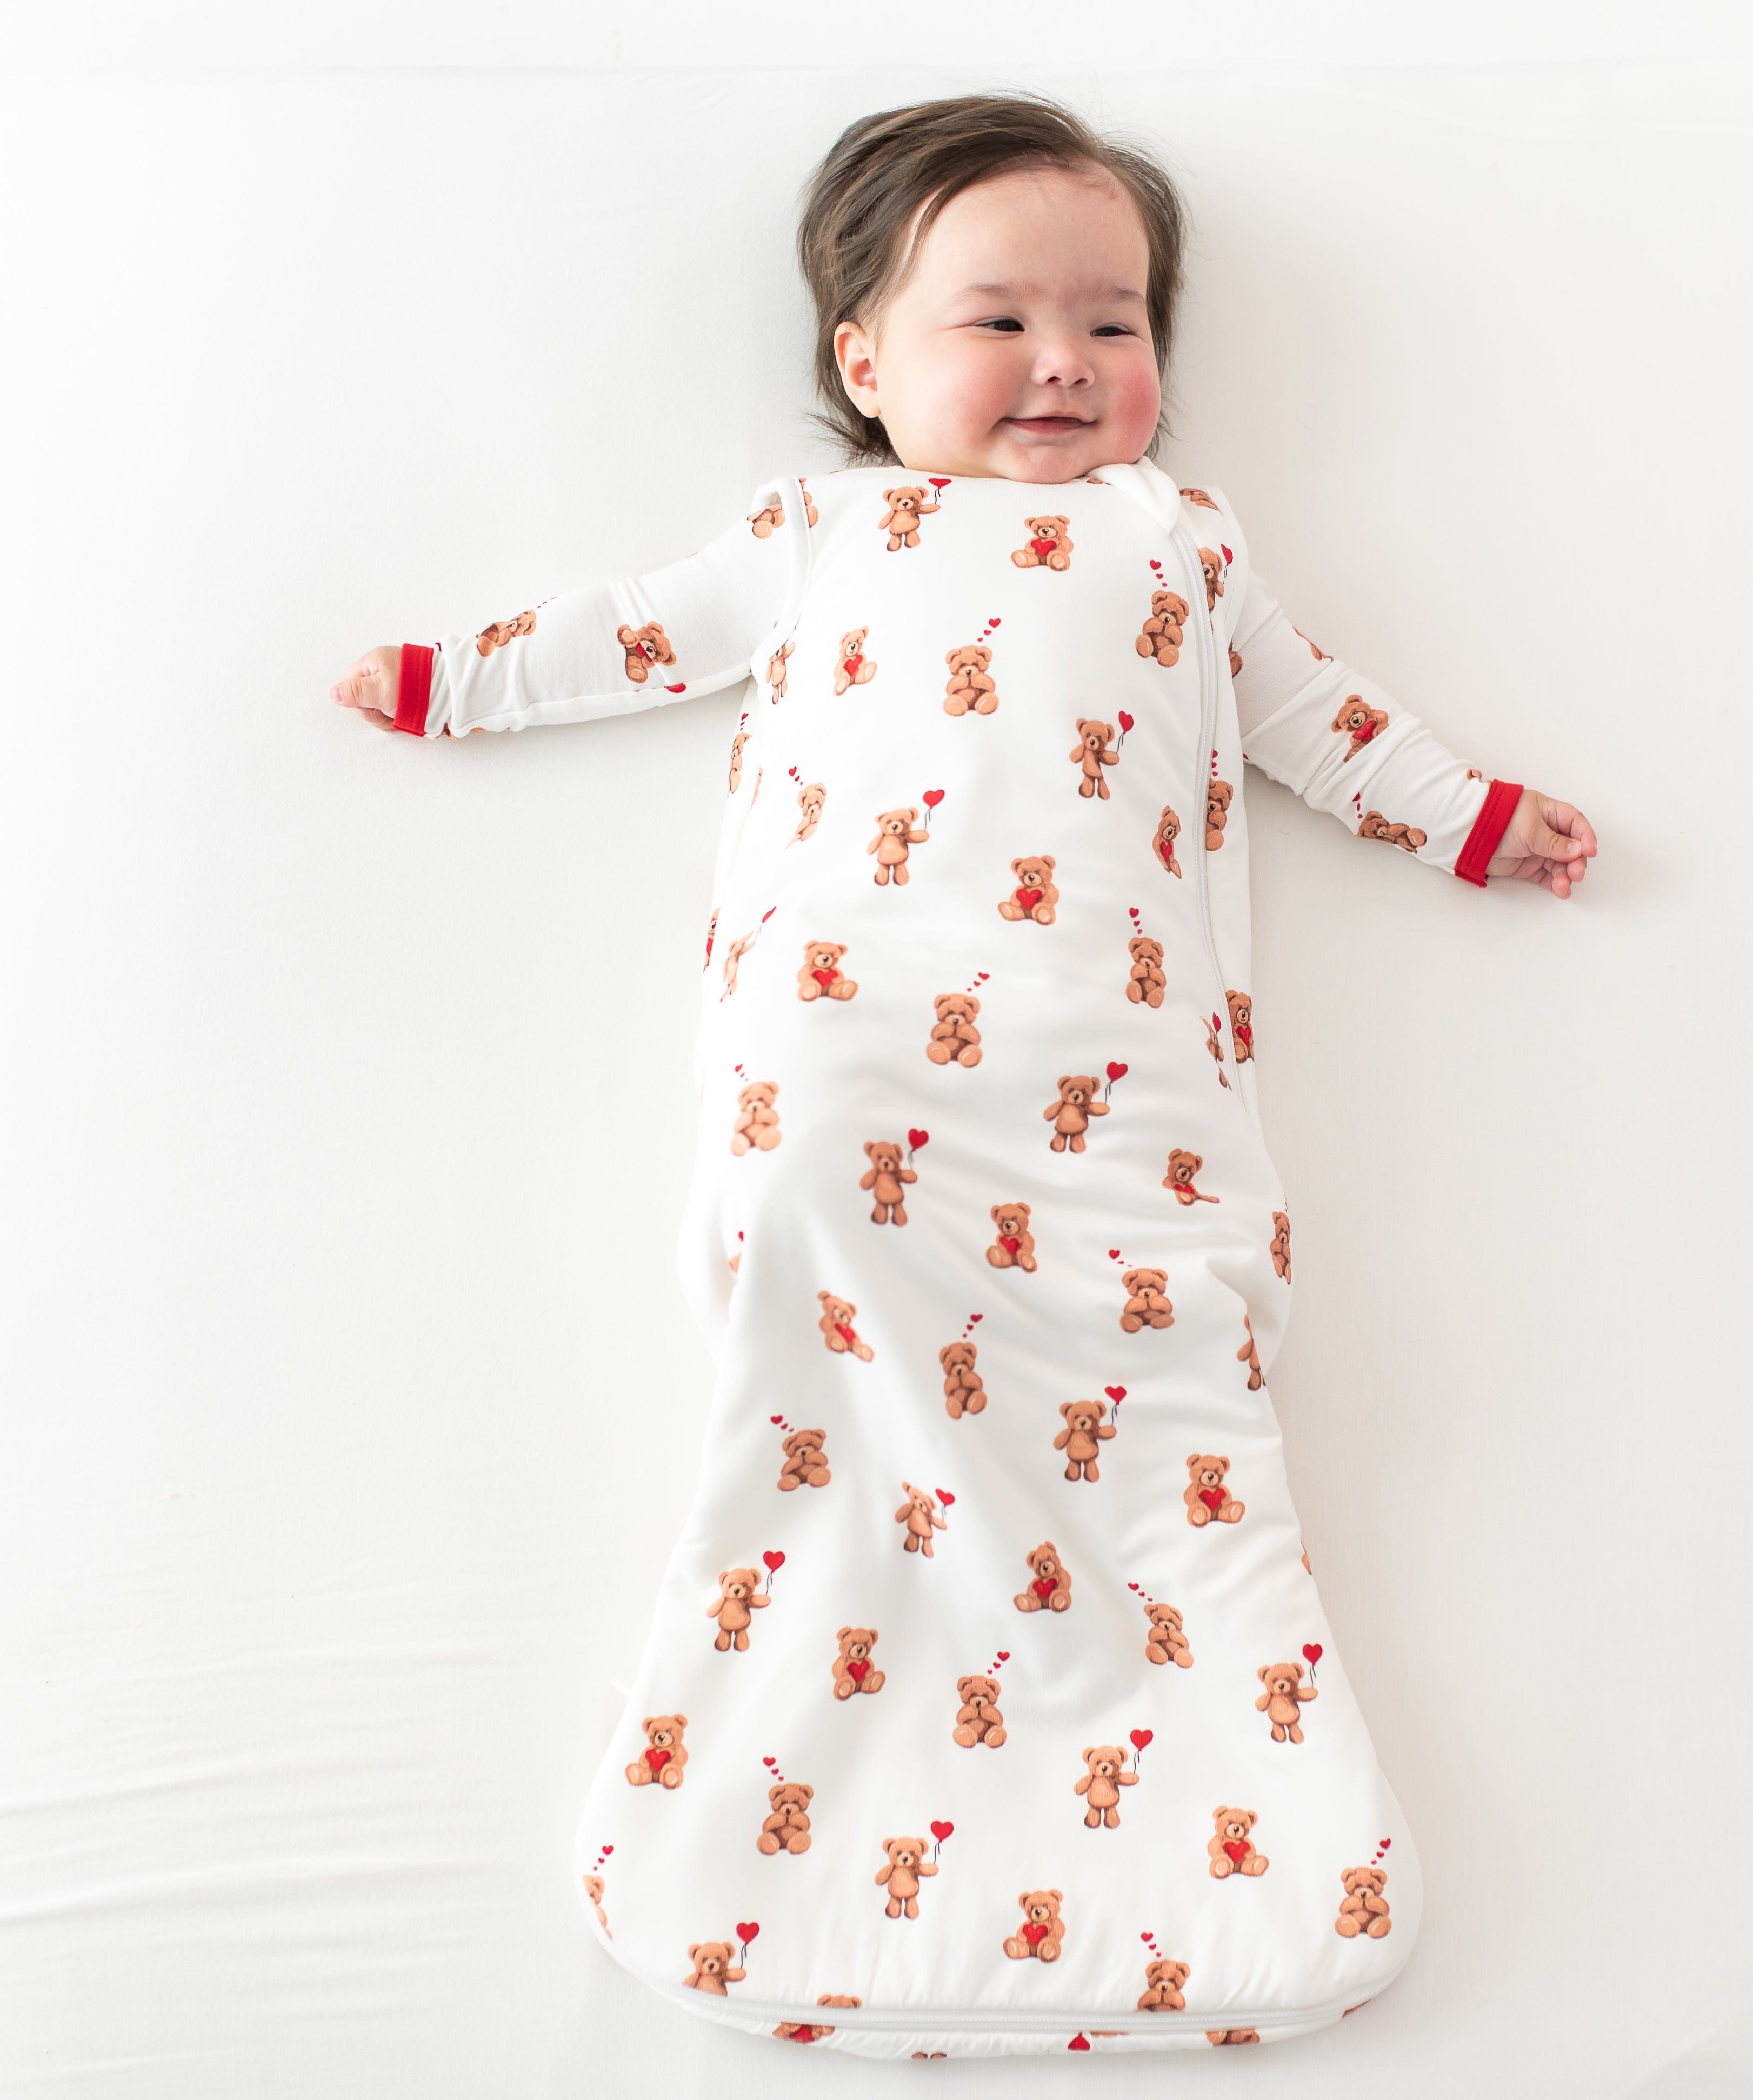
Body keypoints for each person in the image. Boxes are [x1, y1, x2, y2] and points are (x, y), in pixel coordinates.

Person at [329, 91, 1598, 2061]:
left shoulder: (1184, 541)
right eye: (997, 321)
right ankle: (789, 1784)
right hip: (848, 1057)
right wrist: (457, 680)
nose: (1066, 366)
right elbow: (634, 635)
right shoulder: (822, 529)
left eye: (1115, 320)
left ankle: (1215, 1826)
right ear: (863, 359)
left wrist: (1468, 813)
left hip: (1117, 1080)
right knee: (832, 1295)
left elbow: (1322, 717)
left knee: (1162, 1371)